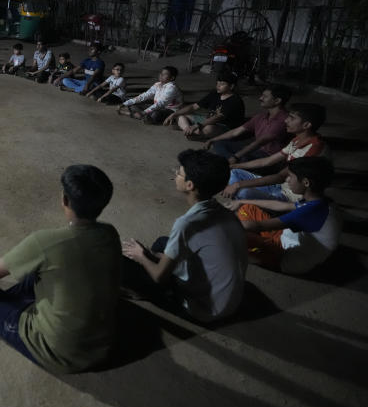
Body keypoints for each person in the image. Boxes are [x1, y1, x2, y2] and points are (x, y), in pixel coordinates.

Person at [0, 165, 121, 373]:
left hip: (58, 352)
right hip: (100, 346)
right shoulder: (110, 233)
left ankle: (13, 316)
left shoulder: (46, 242)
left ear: (64, 200)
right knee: (37, 270)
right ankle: (19, 305)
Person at [122, 149, 247, 322]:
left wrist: (141, 256)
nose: (175, 174)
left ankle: (159, 294)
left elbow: (159, 276)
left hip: (204, 309)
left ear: (190, 185)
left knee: (126, 265)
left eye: (179, 173)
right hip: (230, 301)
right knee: (161, 244)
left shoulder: (187, 224)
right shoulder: (225, 213)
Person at [231, 157, 339, 275]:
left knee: (236, 235)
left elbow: (258, 225)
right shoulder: (321, 201)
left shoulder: (311, 211)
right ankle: (259, 243)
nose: (287, 180)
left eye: (291, 177)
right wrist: (243, 202)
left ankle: (257, 254)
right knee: (247, 209)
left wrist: (221, 223)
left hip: (287, 258)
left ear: (306, 182)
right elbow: (280, 205)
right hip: (288, 237)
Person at [223, 103, 328, 202]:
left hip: (289, 196)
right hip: (280, 186)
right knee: (235, 171)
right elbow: (268, 161)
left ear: (306, 125)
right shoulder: (297, 140)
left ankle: (257, 208)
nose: (286, 120)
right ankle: (245, 203)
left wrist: (238, 184)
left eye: (292, 118)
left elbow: (280, 177)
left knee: (244, 192)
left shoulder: (314, 149)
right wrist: (235, 165)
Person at [205, 84, 292, 164]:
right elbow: (236, 131)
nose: (260, 98)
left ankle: (232, 163)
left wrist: (236, 156)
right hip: (257, 150)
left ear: (277, 101)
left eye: (265, 96)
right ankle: (230, 162)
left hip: (270, 157)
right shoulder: (261, 116)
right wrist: (213, 139)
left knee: (242, 157)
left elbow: (260, 142)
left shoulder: (284, 120)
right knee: (219, 143)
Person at [164, 71, 245, 140]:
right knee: (180, 115)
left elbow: (218, 117)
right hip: (207, 120)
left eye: (222, 84)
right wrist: (174, 114)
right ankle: (189, 131)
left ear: (231, 86)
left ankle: (191, 131)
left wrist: (197, 125)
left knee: (209, 128)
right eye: (217, 83)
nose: (218, 86)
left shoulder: (235, 100)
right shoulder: (215, 93)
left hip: (225, 126)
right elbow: (194, 107)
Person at [118, 66, 183, 124]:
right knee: (132, 105)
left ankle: (133, 114)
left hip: (170, 110)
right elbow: (145, 95)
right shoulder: (157, 84)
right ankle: (143, 116)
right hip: (157, 108)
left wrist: (144, 112)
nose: (161, 75)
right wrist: (125, 103)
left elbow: (161, 103)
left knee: (155, 114)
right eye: (161, 73)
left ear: (172, 78)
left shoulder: (172, 87)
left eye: (164, 74)